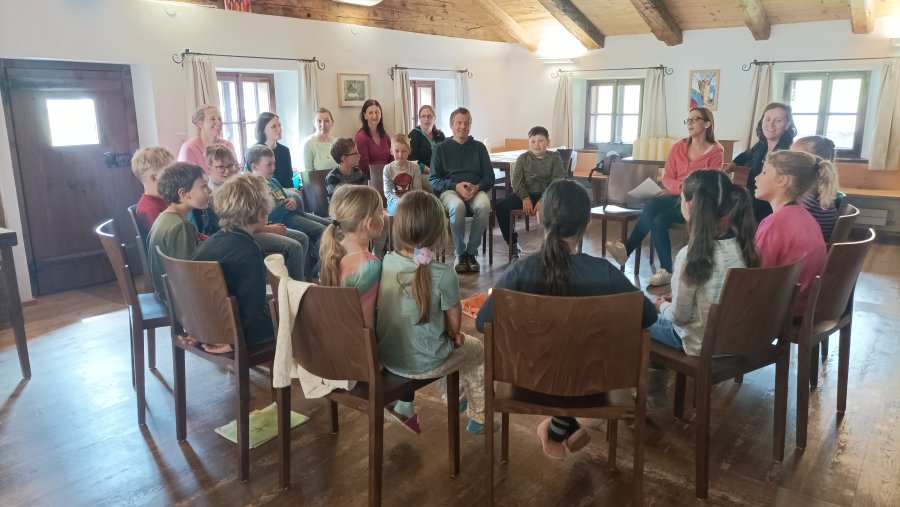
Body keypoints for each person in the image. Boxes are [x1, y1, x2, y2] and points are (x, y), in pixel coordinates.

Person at [476, 180, 657, 460]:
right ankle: (561, 424)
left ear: (540, 217)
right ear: (587, 223)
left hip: (529, 381)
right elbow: (648, 316)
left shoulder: (519, 272)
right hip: (595, 383)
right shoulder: (605, 273)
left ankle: (560, 425)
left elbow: (482, 323)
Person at [377, 190, 495, 435]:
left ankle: (451, 397)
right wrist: (456, 336)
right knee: (474, 349)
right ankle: (480, 417)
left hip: (387, 358)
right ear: (439, 229)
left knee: (434, 341)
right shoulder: (443, 273)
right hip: (425, 364)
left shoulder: (386, 261)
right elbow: (453, 328)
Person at [647, 169, 759, 407]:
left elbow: (679, 318)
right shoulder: (741, 245)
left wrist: (661, 306)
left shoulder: (689, 255)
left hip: (697, 342)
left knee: (640, 315)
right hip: (733, 340)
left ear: (689, 206)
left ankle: (652, 395)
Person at [607, 107, 724, 286]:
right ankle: (667, 270)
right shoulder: (678, 147)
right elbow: (667, 178)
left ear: (707, 123)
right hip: (675, 200)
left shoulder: (716, 151)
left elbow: (707, 185)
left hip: (697, 205)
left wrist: (681, 188)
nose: (690, 123)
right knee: (658, 219)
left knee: (655, 203)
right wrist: (683, 187)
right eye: (688, 120)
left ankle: (627, 249)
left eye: (695, 119)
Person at [190, 173, 276, 353]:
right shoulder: (249, 250)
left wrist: (200, 331)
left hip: (206, 327)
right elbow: (253, 309)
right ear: (260, 212)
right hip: (238, 333)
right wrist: (233, 341)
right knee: (300, 315)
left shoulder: (210, 242)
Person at [205, 144, 309, 281]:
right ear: (209, 168)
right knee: (294, 246)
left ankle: (301, 280)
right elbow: (236, 225)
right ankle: (294, 288)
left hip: (258, 226)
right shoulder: (213, 192)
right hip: (245, 233)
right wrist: (268, 228)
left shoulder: (235, 182)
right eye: (221, 167)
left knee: (302, 237)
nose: (227, 171)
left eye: (231, 165)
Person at [754, 150, 836, 314]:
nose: (756, 178)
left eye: (764, 172)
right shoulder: (807, 217)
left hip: (782, 309)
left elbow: (757, 277)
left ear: (782, 180)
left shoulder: (774, 223)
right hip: (804, 304)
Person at [247, 144, 329, 280]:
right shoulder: (253, 186)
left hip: (294, 214)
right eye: (269, 165)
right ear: (255, 166)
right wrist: (285, 207)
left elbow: (285, 199)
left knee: (330, 225)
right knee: (322, 231)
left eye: (274, 163)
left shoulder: (273, 181)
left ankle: (314, 269)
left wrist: (293, 201)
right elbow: (268, 213)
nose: (273, 167)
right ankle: (319, 271)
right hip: (283, 220)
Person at [429, 107, 494, 274]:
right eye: (459, 123)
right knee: (457, 207)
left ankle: (471, 253)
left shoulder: (479, 148)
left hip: (475, 190)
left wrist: (477, 187)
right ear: (451, 125)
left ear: (470, 125)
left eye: (466, 123)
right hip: (450, 191)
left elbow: (489, 177)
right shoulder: (440, 148)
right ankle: (460, 253)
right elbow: (434, 179)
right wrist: (454, 186)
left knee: (485, 205)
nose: (463, 127)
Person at [495, 126, 565, 258]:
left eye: (540, 141)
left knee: (559, 209)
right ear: (529, 143)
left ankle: (554, 247)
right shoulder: (523, 158)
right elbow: (516, 182)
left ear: (548, 142)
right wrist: (525, 198)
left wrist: (543, 200)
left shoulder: (555, 158)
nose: (537, 144)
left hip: (548, 195)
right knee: (501, 206)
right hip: (526, 194)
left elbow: (557, 181)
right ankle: (513, 244)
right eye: (533, 141)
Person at [147, 162, 211, 302]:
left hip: (168, 291)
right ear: (183, 193)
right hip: (179, 298)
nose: (209, 191)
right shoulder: (180, 226)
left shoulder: (164, 217)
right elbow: (189, 275)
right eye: (204, 186)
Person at [732, 102, 797, 223]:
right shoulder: (760, 146)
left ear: (787, 124)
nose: (771, 124)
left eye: (778, 120)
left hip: (771, 210)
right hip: (753, 203)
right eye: (767, 119)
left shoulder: (789, 152)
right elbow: (746, 155)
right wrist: (733, 164)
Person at [791, 136, 841, 240]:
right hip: (818, 244)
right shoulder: (819, 188)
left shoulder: (807, 194)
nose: (789, 160)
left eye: (794, 157)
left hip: (807, 246)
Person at [131, 146, 175, 240]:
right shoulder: (151, 208)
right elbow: (168, 239)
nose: (175, 177)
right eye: (171, 173)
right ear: (154, 178)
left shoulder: (162, 200)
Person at [177, 105, 235, 172]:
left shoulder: (227, 145)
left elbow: (235, 172)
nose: (219, 123)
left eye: (219, 119)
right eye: (213, 119)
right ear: (200, 124)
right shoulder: (188, 148)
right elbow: (186, 177)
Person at [384, 133, 427, 214]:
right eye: (397, 151)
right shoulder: (388, 169)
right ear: (391, 151)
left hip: (412, 201)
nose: (400, 154)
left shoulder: (415, 167)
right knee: (402, 211)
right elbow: (388, 192)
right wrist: (399, 201)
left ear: (409, 151)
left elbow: (417, 190)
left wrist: (409, 202)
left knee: (421, 210)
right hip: (394, 203)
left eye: (404, 151)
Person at [254, 112, 294, 189]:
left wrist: (291, 194)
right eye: (273, 127)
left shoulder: (285, 151)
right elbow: (252, 182)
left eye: (279, 125)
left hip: (285, 193)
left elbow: (288, 180)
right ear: (263, 130)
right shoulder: (254, 151)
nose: (279, 129)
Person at [354, 99, 393, 179]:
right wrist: (379, 177)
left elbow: (392, 157)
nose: (374, 115)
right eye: (371, 113)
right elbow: (364, 165)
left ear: (380, 114)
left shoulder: (385, 136)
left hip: (388, 175)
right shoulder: (361, 137)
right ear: (365, 115)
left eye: (377, 112)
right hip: (371, 178)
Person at [408, 104, 445, 175]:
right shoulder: (414, 135)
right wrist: (432, 172)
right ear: (419, 119)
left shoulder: (440, 135)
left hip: (440, 172)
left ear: (434, 118)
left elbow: (445, 156)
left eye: (429, 116)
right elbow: (413, 160)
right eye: (423, 116)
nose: (426, 119)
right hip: (422, 174)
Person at [302, 107, 339, 172]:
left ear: (332, 122)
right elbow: (307, 173)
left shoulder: (337, 142)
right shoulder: (308, 144)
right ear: (314, 123)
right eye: (319, 121)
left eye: (326, 121)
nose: (323, 124)